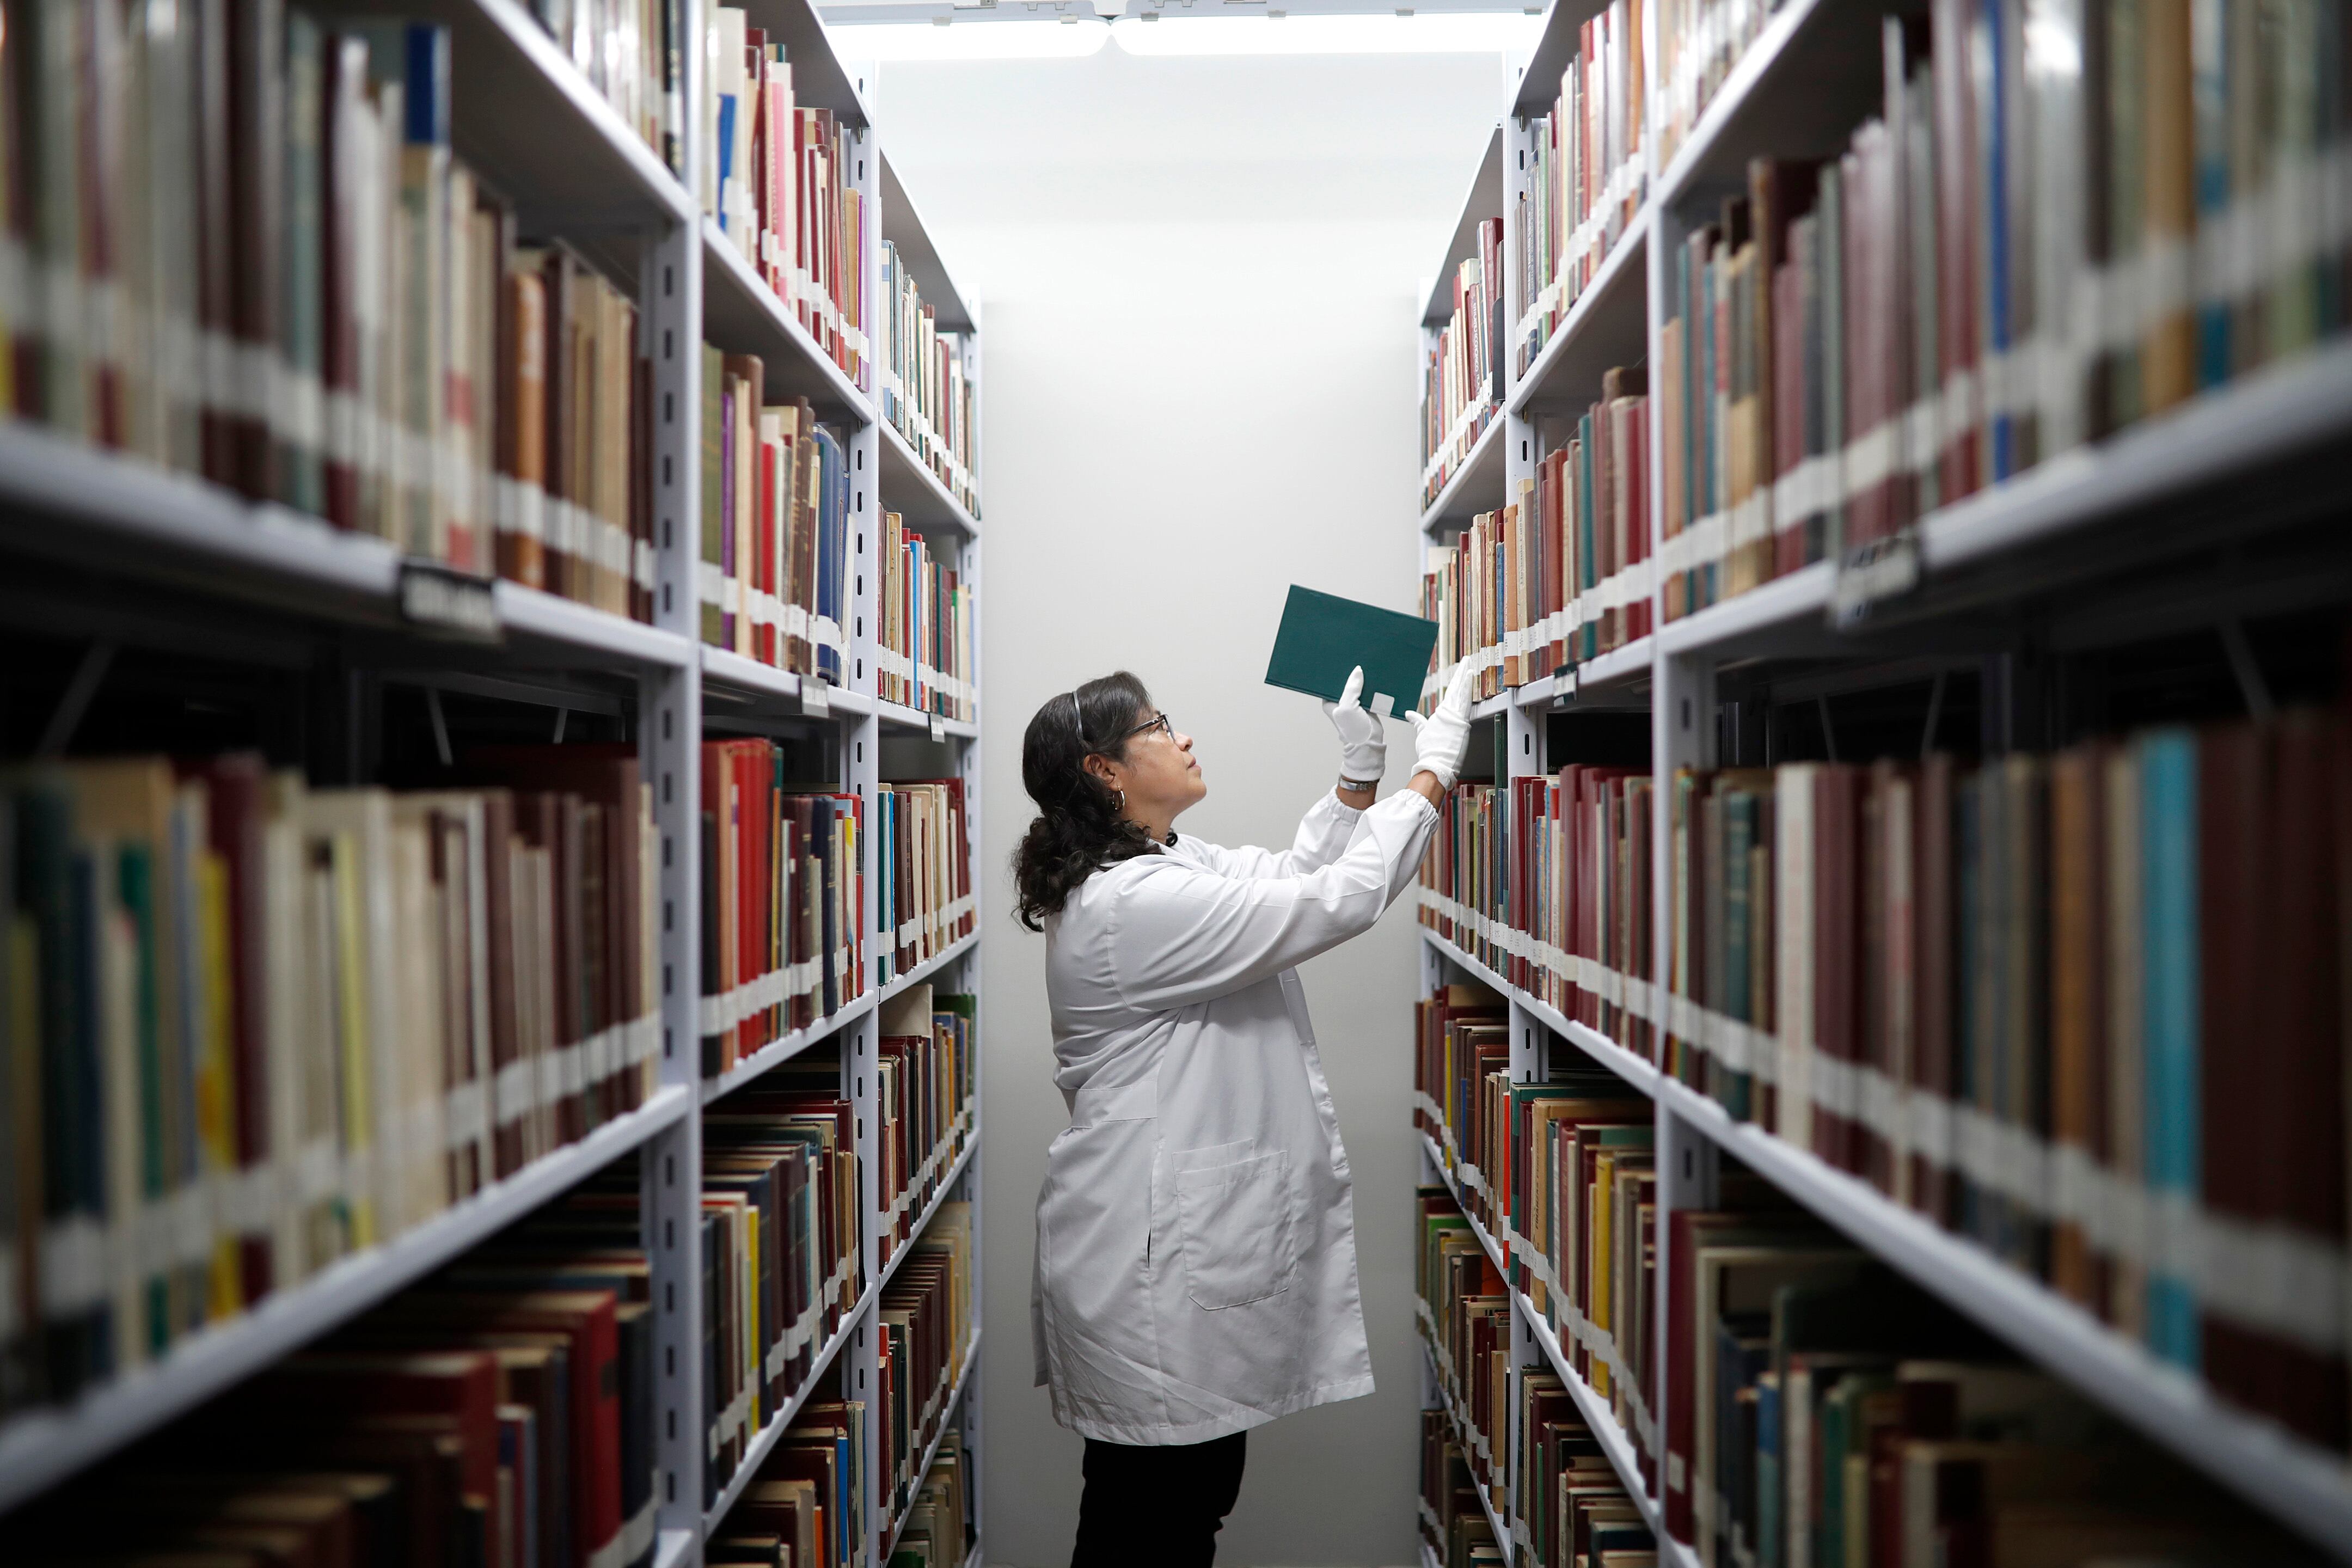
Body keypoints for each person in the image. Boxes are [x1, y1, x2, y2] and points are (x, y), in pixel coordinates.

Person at [1014, 660, 1479, 1567]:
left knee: (1174, 1513)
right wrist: (1436, 771)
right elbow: (1325, 903)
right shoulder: (1131, 905)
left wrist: (1357, 778)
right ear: (1104, 770)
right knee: (1151, 1527)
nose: (1182, 736)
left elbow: (1290, 874)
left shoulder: (1159, 867)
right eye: (1158, 726)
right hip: (1148, 1263)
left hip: (1164, 1245)